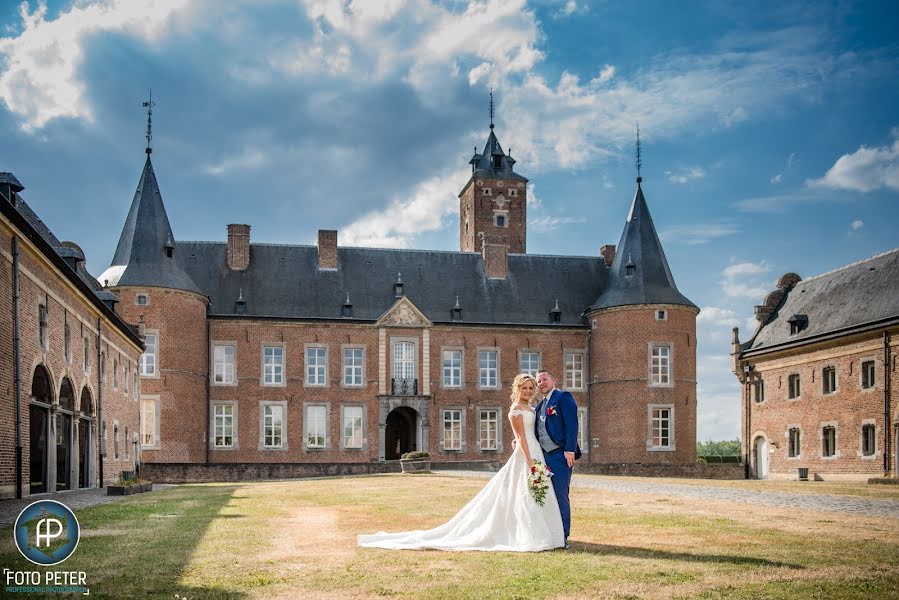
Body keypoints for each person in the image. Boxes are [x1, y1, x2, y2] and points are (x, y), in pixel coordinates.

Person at [357, 373, 564, 551]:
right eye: (524, 388)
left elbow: (530, 432)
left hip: (536, 451)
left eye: (531, 388)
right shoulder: (515, 410)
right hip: (527, 454)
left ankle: (545, 534)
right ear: (517, 389)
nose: (528, 391)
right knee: (523, 493)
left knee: (534, 493)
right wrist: (530, 462)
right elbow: (520, 438)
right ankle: (529, 535)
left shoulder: (532, 408)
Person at [534, 371, 581, 549]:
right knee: (545, 495)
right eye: (539, 381)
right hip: (542, 457)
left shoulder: (563, 397)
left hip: (560, 455)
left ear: (553, 381)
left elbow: (572, 424)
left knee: (560, 495)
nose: (542, 383)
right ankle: (549, 534)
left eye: (544, 379)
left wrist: (570, 449)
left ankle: (563, 536)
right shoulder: (539, 406)